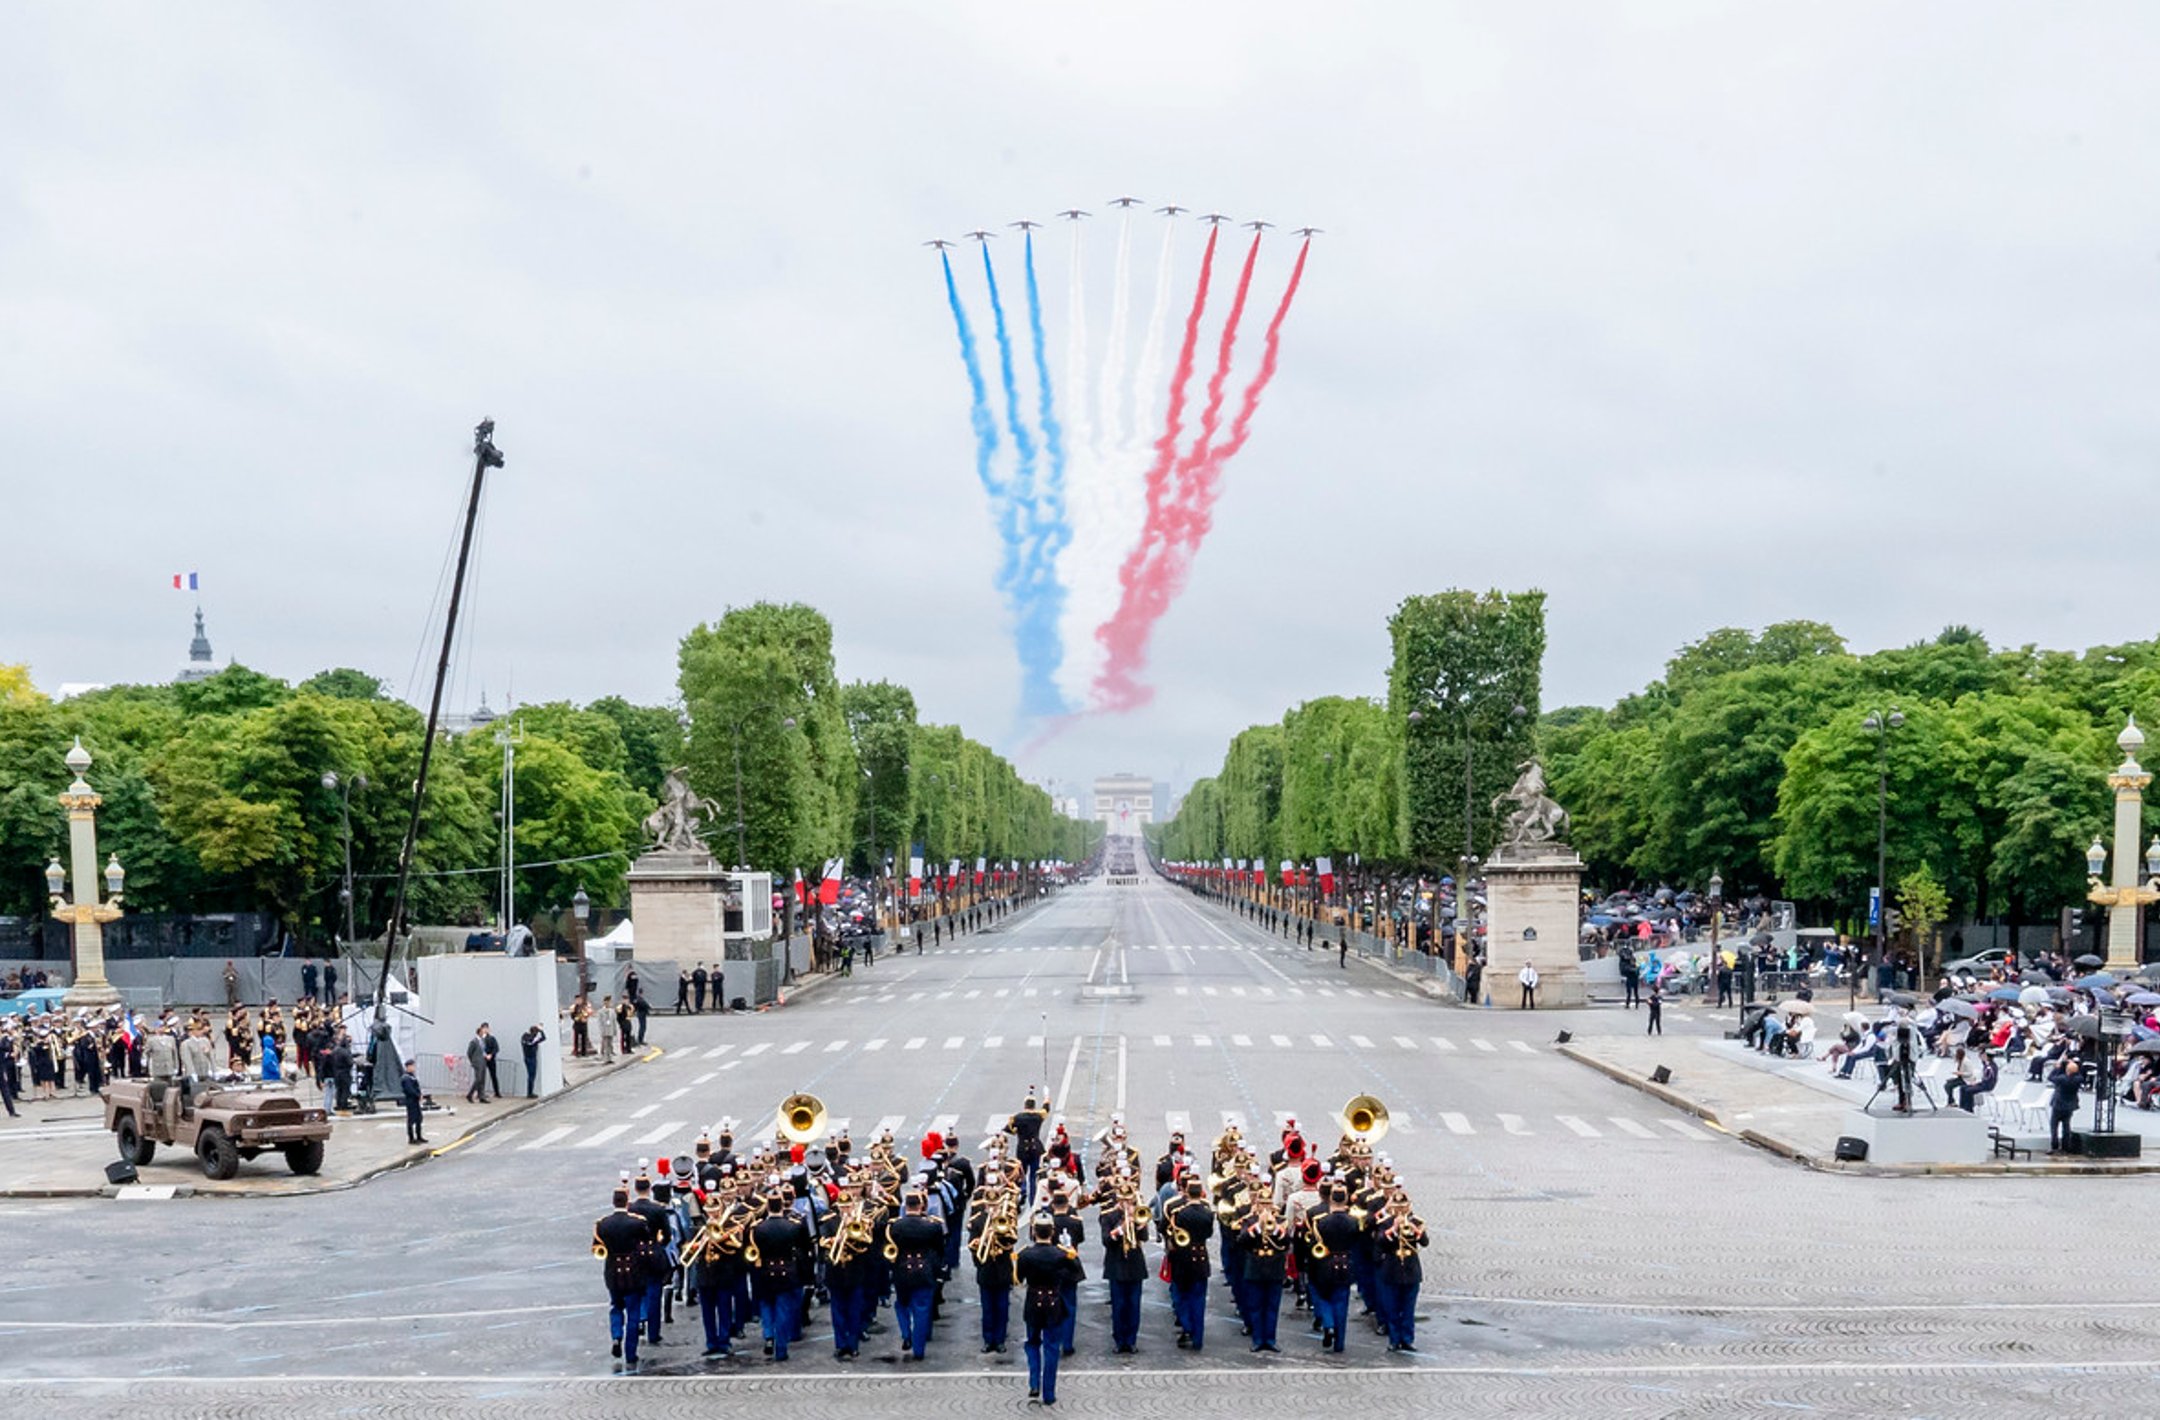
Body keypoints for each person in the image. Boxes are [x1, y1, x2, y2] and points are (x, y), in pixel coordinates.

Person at [1015, 1213, 1083, 1406]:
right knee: (1052, 1347)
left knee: (1032, 1343)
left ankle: (1034, 1381)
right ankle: (1049, 1392)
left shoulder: (1025, 1254)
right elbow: (1076, 1270)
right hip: (1054, 1300)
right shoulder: (1061, 1254)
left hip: (1033, 1300)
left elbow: (1018, 1279)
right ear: (1052, 1232)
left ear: (1033, 1231)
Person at [594, 1186, 655, 1368]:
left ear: (614, 1202)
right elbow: (647, 1241)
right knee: (634, 1313)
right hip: (633, 1272)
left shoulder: (602, 1224)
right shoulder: (637, 1223)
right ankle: (630, 1352)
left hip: (613, 1271)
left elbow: (597, 1247)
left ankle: (616, 1336)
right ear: (627, 1202)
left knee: (616, 1307)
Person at [889, 1187, 946, 1360]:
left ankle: (906, 1334)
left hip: (902, 1270)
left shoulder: (896, 1225)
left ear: (905, 1206)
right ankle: (919, 1349)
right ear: (921, 1205)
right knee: (922, 1310)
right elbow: (939, 1250)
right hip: (924, 1270)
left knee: (901, 1305)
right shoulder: (933, 1226)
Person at [1165, 1177, 1216, 1350]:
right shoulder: (1208, 1213)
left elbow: (1172, 1234)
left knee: (1182, 1297)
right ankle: (1198, 1338)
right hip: (1201, 1257)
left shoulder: (1180, 1213)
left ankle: (1187, 1328)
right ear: (1201, 1193)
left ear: (1186, 1192)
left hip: (1183, 1258)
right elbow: (1208, 1234)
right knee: (1198, 1300)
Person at [2047, 1059, 2082, 1154]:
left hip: (2058, 1105)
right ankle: (2066, 1146)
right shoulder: (2078, 1079)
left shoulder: (2062, 1079)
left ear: (2067, 1071)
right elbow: (2078, 1072)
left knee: (2054, 1126)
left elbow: (2051, 1077)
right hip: (2070, 1106)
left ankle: (2054, 1145)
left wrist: (2058, 1068)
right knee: (2066, 1126)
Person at [400, 1060, 426, 1144]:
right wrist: (418, 1095)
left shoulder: (412, 1076)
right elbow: (409, 1090)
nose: (414, 1068)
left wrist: (420, 1094)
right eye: (413, 1066)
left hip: (415, 1100)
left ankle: (419, 1136)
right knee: (411, 1120)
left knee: (418, 1119)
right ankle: (411, 1139)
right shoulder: (406, 1077)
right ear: (408, 1067)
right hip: (410, 1100)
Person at [465, 1025, 489, 1103]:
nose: (484, 1033)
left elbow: (483, 1051)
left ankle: (481, 1096)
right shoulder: (474, 1042)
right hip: (477, 1062)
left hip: (483, 1061)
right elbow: (469, 1053)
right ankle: (470, 1094)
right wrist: (472, 1061)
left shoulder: (483, 1041)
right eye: (482, 1032)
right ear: (479, 1033)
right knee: (478, 1079)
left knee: (482, 1079)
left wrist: (486, 1056)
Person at [520, 1024, 546, 1097]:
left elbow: (543, 1038)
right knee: (531, 1075)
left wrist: (540, 1030)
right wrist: (539, 1031)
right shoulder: (527, 1037)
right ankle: (529, 1093)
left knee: (531, 1075)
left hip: (530, 1058)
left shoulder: (528, 1037)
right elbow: (531, 1042)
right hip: (530, 1058)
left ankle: (530, 1092)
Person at [481, 1022, 502, 1098]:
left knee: (493, 1075)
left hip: (491, 1059)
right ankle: (481, 1092)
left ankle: (497, 1092)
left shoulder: (492, 1038)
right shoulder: (479, 1038)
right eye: (484, 1028)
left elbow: (496, 1048)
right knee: (481, 1076)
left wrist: (491, 1054)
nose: (485, 1030)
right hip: (482, 1059)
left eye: (487, 1028)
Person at [1619, 942, 1641, 1009]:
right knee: (1634, 993)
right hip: (1634, 980)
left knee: (1631, 993)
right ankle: (1635, 1004)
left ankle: (1629, 1004)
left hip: (1631, 980)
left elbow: (1628, 971)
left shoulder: (1628, 966)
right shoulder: (1635, 966)